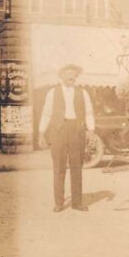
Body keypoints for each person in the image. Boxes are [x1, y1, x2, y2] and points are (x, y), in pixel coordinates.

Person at [38, 64, 95, 212]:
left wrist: (91, 131)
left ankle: (77, 203)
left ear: (77, 77)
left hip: (77, 131)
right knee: (59, 168)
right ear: (61, 75)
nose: (71, 76)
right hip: (58, 132)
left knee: (77, 167)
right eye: (68, 73)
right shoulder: (52, 92)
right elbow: (46, 113)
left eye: (74, 74)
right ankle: (59, 203)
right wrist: (41, 132)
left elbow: (89, 113)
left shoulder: (83, 93)